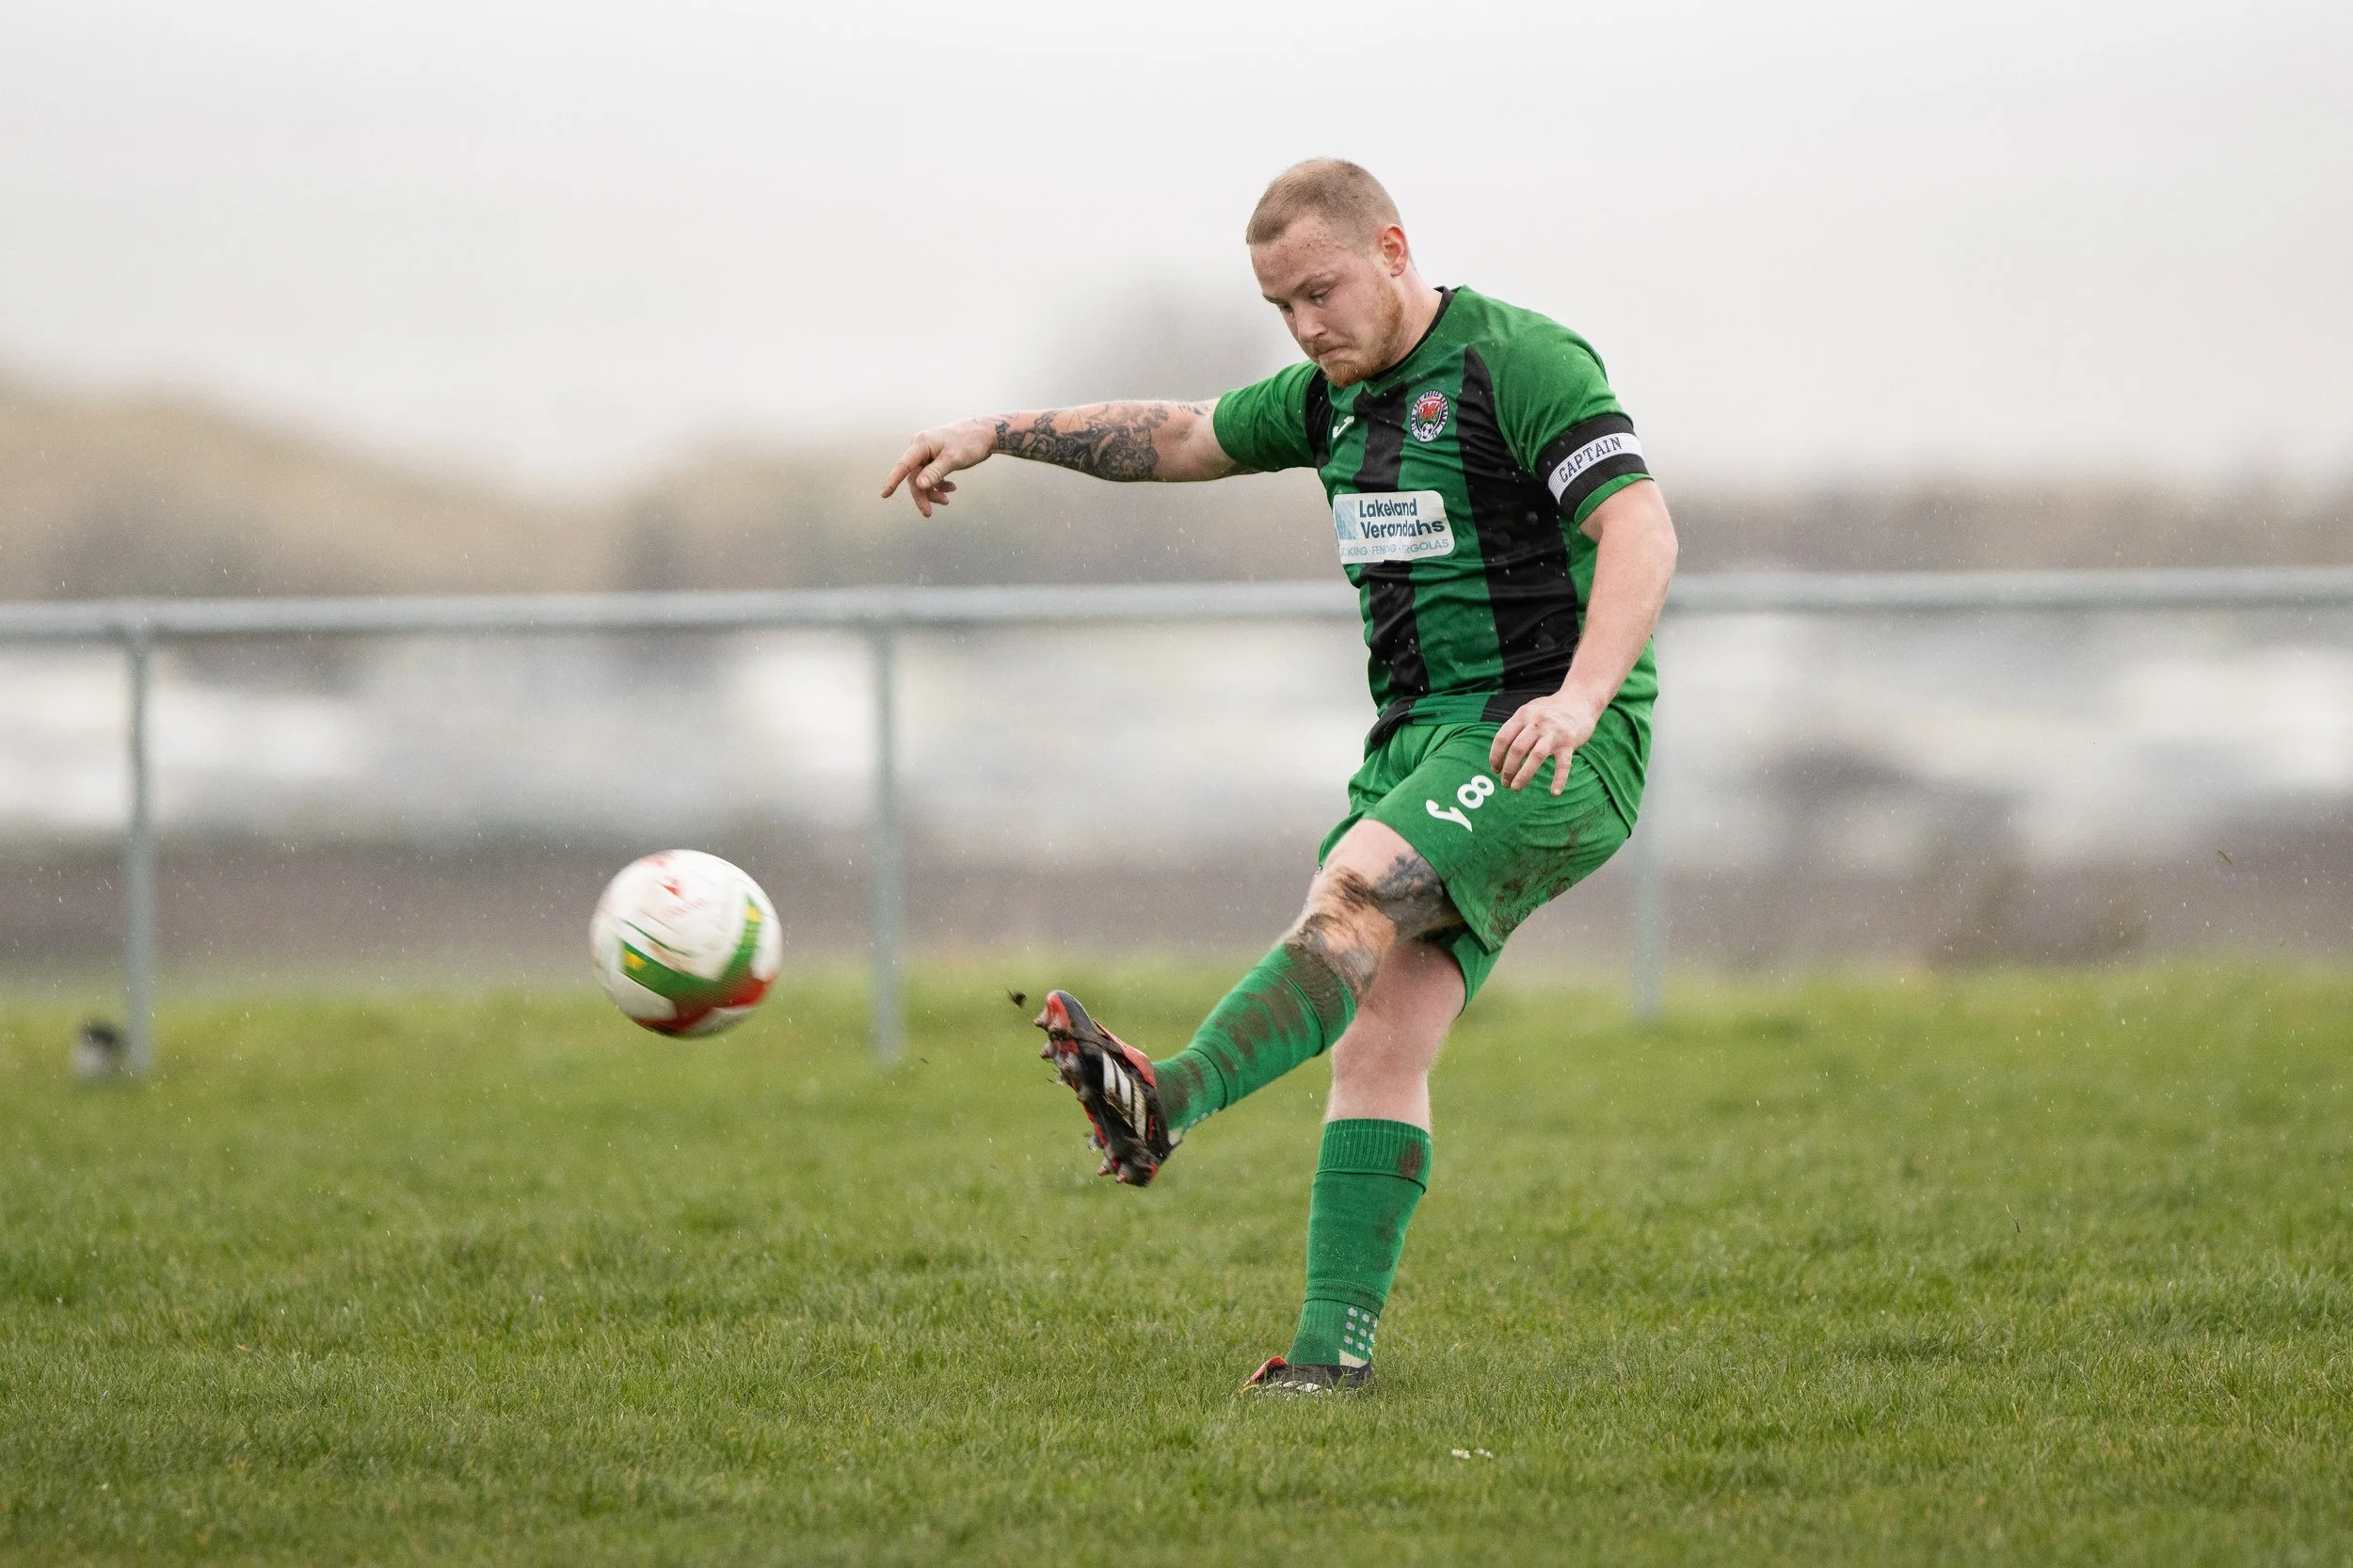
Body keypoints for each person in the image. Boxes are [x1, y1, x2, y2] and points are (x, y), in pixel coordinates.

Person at [881, 158, 1678, 1394]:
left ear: (1395, 249)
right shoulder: (1327, 401)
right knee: (1377, 1042)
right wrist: (996, 432)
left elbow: (1641, 527)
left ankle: (1167, 1098)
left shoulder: (1518, 361)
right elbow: (1183, 434)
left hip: (1546, 740)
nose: (1308, 326)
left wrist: (1578, 699)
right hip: (1418, 748)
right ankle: (1329, 1360)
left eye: (1322, 290)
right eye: (1282, 308)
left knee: (1352, 893)